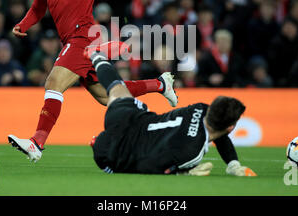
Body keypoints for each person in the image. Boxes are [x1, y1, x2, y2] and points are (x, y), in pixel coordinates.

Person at [8, 0, 181, 161]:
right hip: (70, 41)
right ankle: (161, 84)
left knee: (54, 83)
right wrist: (23, 24)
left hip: (84, 38)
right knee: (106, 96)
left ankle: (37, 142)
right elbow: (38, 8)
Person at [87, 47, 257, 176]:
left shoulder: (200, 108)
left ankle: (96, 55)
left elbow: (220, 134)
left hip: (128, 118)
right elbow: (151, 165)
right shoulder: (193, 152)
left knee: (117, 88)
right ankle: (97, 144)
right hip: (114, 151)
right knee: (133, 160)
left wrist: (232, 163)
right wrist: (184, 170)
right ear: (230, 127)